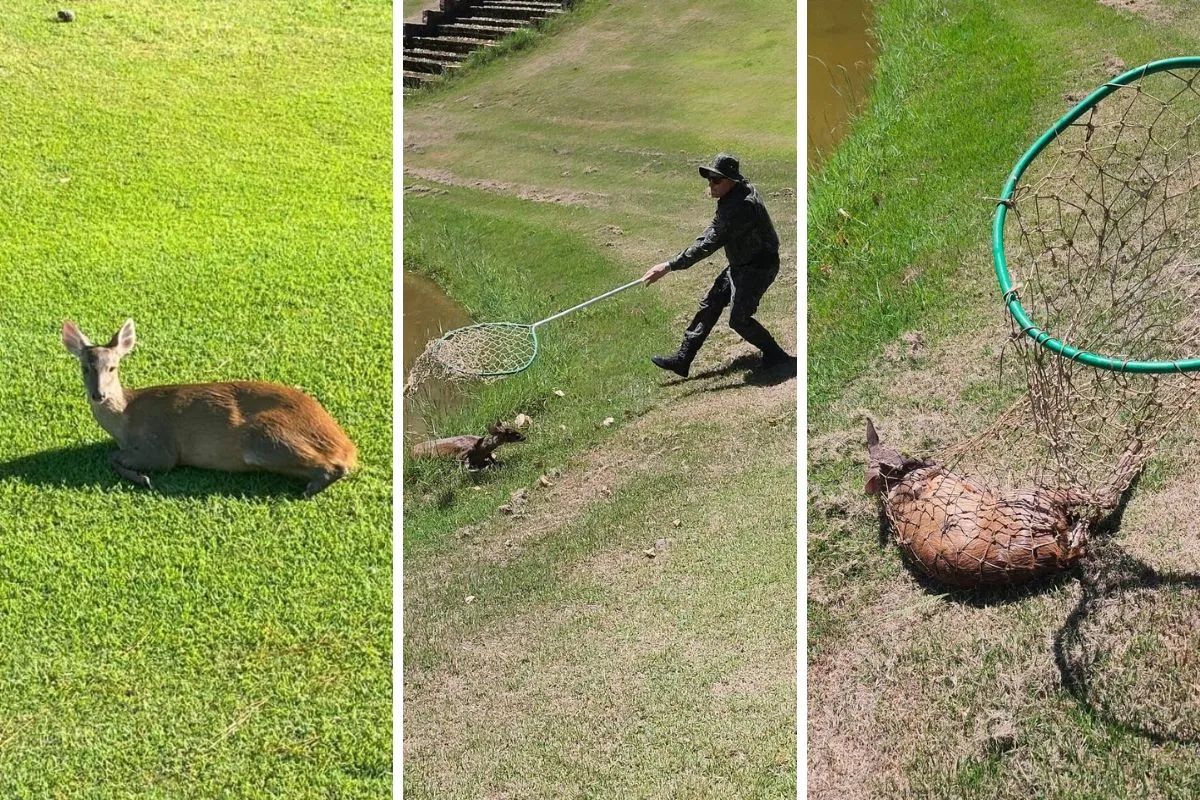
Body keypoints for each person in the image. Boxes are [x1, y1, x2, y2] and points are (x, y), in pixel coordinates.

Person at [641, 153, 795, 379]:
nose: (710, 185)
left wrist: (667, 266)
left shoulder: (740, 207)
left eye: (716, 180)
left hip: (758, 267)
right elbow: (712, 232)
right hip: (741, 263)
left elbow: (709, 243)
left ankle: (776, 355)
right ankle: (683, 359)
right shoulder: (736, 195)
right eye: (709, 179)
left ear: (732, 180)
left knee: (738, 320)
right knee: (710, 302)